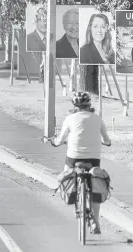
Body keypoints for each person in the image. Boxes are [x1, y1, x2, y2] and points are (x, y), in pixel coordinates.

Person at [52, 91, 112, 234]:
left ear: (74, 105)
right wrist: (107, 142)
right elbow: (106, 139)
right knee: (95, 184)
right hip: (93, 158)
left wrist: (55, 142)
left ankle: (72, 195)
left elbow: (60, 140)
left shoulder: (70, 118)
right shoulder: (97, 119)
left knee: (66, 173)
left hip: (74, 157)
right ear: (89, 104)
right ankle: (96, 221)